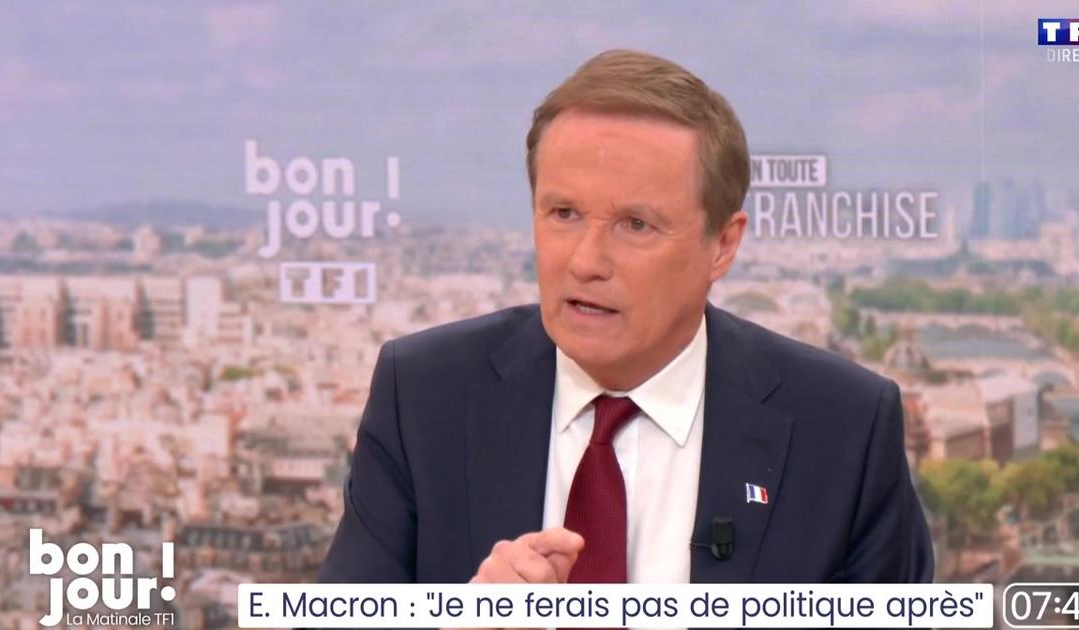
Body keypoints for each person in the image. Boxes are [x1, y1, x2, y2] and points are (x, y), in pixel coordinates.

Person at [319, 49, 932, 586]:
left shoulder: (843, 427)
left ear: (722, 245)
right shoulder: (422, 396)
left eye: (635, 224)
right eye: (563, 214)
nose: (586, 261)